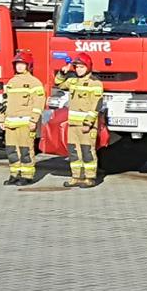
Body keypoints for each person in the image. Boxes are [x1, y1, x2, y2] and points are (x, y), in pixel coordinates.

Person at [57, 53, 104, 189]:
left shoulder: (95, 83)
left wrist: (88, 123)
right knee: (73, 151)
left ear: (88, 67)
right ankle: (76, 176)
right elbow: (59, 84)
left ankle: (89, 178)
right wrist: (62, 72)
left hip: (86, 126)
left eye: (81, 67)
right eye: (76, 67)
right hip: (73, 125)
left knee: (87, 151)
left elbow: (96, 105)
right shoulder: (73, 81)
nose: (78, 69)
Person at [0, 50, 47, 186]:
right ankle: (14, 174)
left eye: (22, 64)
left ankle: (26, 176)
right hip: (10, 123)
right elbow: (4, 102)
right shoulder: (11, 82)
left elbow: (39, 102)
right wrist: (1, 119)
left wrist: (34, 120)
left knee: (25, 150)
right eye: (17, 64)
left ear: (28, 66)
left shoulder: (34, 83)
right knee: (11, 150)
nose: (19, 67)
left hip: (26, 122)